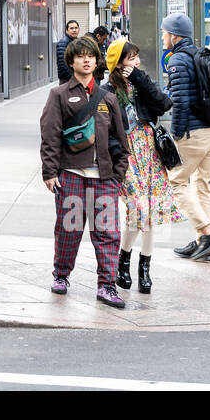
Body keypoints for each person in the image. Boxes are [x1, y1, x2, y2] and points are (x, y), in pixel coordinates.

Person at [41, 34, 130, 308]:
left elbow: (121, 137)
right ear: (72, 61)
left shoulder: (108, 97)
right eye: (81, 56)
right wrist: (50, 172)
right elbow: (50, 134)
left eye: (91, 55)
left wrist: (119, 174)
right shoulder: (59, 95)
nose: (87, 60)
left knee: (108, 232)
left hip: (104, 177)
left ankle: (107, 285)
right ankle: (61, 275)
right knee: (69, 230)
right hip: (71, 174)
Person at [101, 39, 184, 293]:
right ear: (118, 63)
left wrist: (138, 78)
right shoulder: (107, 91)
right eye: (130, 58)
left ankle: (140, 268)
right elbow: (105, 128)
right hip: (127, 155)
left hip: (150, 153)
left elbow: (164, 103)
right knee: (140, 208)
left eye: (136, 56)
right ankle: (124, 263)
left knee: (147, 214)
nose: (136, 61)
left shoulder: (141, 83)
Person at [161, 13, 210, 261]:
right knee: (202, 185)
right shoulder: (200, 54)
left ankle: (208, 233)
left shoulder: (178, 59)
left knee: (177, 183)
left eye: (165, 32)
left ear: (175, 35)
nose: (163, 36)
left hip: (193, 133)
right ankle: (203, 243)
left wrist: (177, 134)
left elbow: (180, 101)